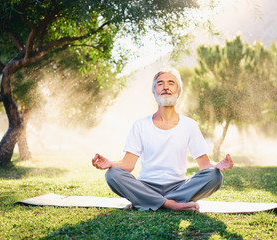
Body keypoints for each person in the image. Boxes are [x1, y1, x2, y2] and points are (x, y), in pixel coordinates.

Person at [92, 67, 234, 212]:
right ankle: (171, 204)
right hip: (146, 186)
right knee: (112, 174)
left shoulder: (189, 125)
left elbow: (204, 165)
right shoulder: (140, 125)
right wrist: (110, 163)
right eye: (160, 84)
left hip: (179, 187)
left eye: (171, 83)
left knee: (215, 176)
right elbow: (128, 165)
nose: (165, 87)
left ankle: (146, 200)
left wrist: (218, 165)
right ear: (154, 93)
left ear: (178, 92)